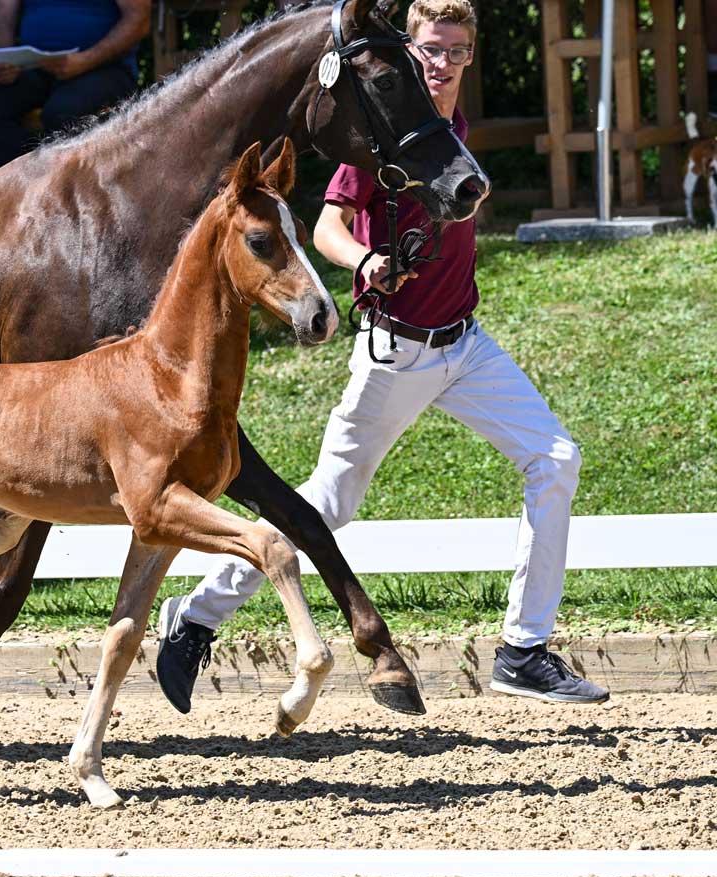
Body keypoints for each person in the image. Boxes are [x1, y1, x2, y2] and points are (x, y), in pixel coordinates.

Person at [155, 0, 610, 712]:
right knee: (330, 502)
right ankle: (197, 614)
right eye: (432, 49)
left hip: (466, 343)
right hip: (396, 347)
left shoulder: (447, 131)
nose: (444, 63)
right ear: (409, 48)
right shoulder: (381, 131)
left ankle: (523, 650)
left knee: (556, 459)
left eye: (458, 51)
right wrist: (365, 260)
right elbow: (331, 225)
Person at [0, 0, 149, 167]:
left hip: (104, 67)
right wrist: (3, 60)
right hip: (35, 66)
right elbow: (3, 16)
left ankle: (56, 189)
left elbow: (139, 19)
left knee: (62, 112)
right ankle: (38, 181)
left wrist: (86, 61)